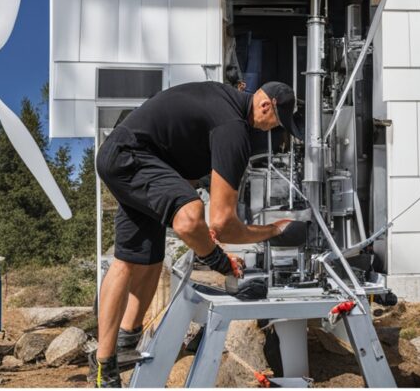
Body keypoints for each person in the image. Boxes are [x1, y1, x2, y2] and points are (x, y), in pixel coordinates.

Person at [94, 81, 302, 388]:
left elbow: (181, 155)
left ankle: (111, 357)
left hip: (129, 157)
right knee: (191, 214)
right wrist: (269, 232)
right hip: (132, 156)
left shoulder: (224, 103)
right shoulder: (233, 128)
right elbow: (220, 223)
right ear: (265, 106)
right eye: (277, 123)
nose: (273, 130)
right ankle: (118, 348)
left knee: (142, 261)